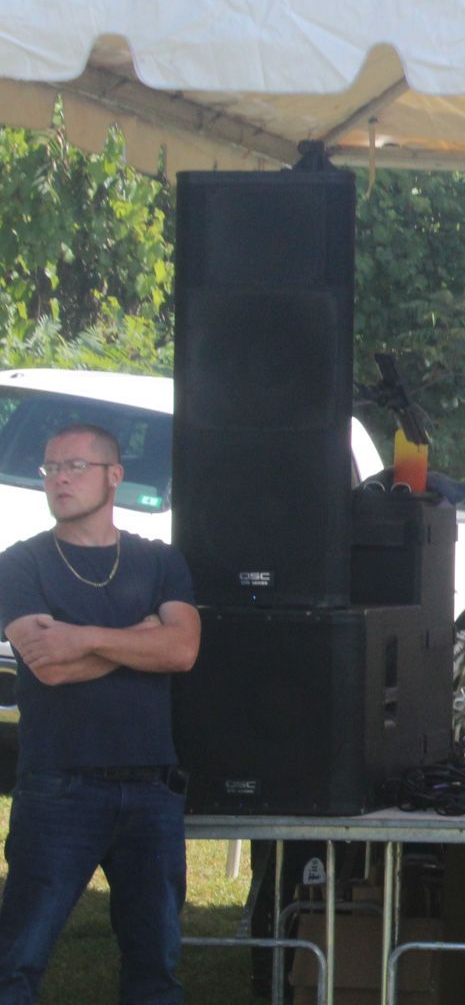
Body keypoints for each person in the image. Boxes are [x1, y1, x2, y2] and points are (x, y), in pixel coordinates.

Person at [0, 423, 201, 1002]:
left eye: (74, 466)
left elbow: (182, 650)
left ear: (114, 475)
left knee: (155, 966)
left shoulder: (158, 561)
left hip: (151, 789)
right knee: (18, 959)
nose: (59, 478)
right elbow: (49, 667)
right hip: (59, 785)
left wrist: (84, 638)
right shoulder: (21, 564)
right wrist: (139, 638)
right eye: (50, 468)